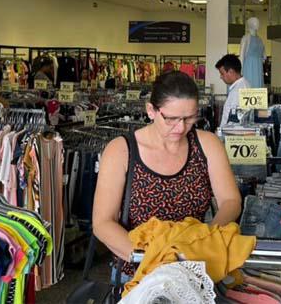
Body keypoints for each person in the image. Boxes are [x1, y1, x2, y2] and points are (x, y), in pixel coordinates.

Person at [92, 71, 240, 283]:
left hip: (194, 268)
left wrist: (207, 238)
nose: (180, 128)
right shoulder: (122, 151)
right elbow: (103, 223)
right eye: (171, 119)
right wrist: (155, 259)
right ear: (151, 111)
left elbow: (231, 201)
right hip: (138, 272)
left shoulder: (207, 145)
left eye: (189, 118)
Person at [216, 54, 249, 128]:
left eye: (222, 73)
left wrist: (221, 133)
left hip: (231, 135)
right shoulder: (244, 85)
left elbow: (233, 121)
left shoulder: (238, 91)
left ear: (231, 71)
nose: (221, 77)